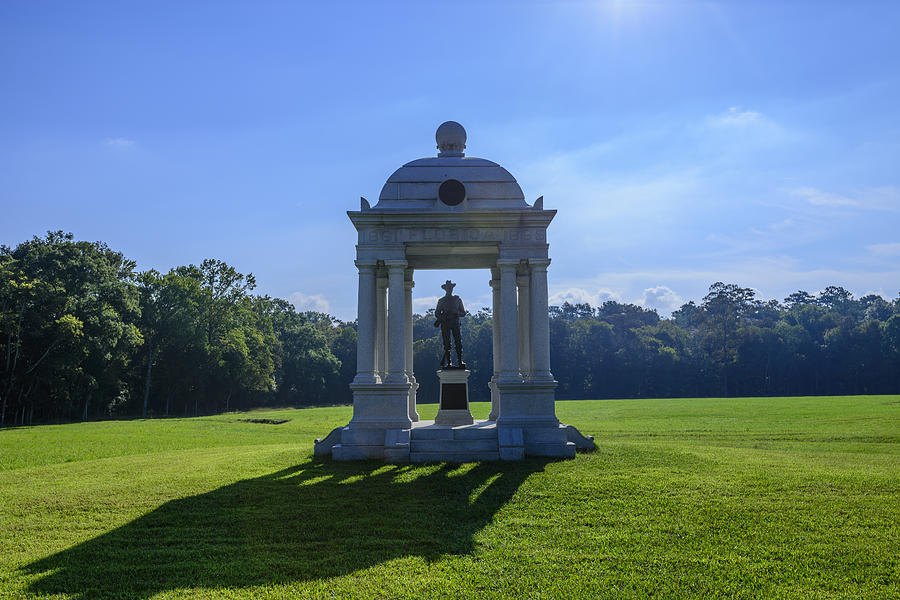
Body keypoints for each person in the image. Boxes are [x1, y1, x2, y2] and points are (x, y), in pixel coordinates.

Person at [434, 280, 466, 368]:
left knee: (458, 342)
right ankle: (448, 363)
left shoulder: (457, 299)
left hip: (455, 323)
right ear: (445, 289)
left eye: (451, 288)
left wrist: (457, 313)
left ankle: (460, 361)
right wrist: (443, 318)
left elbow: (463, 313)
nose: (450, 289)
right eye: (448, 288)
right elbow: (437, 313)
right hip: (445, 324)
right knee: (447, 344)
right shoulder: (441, 301)